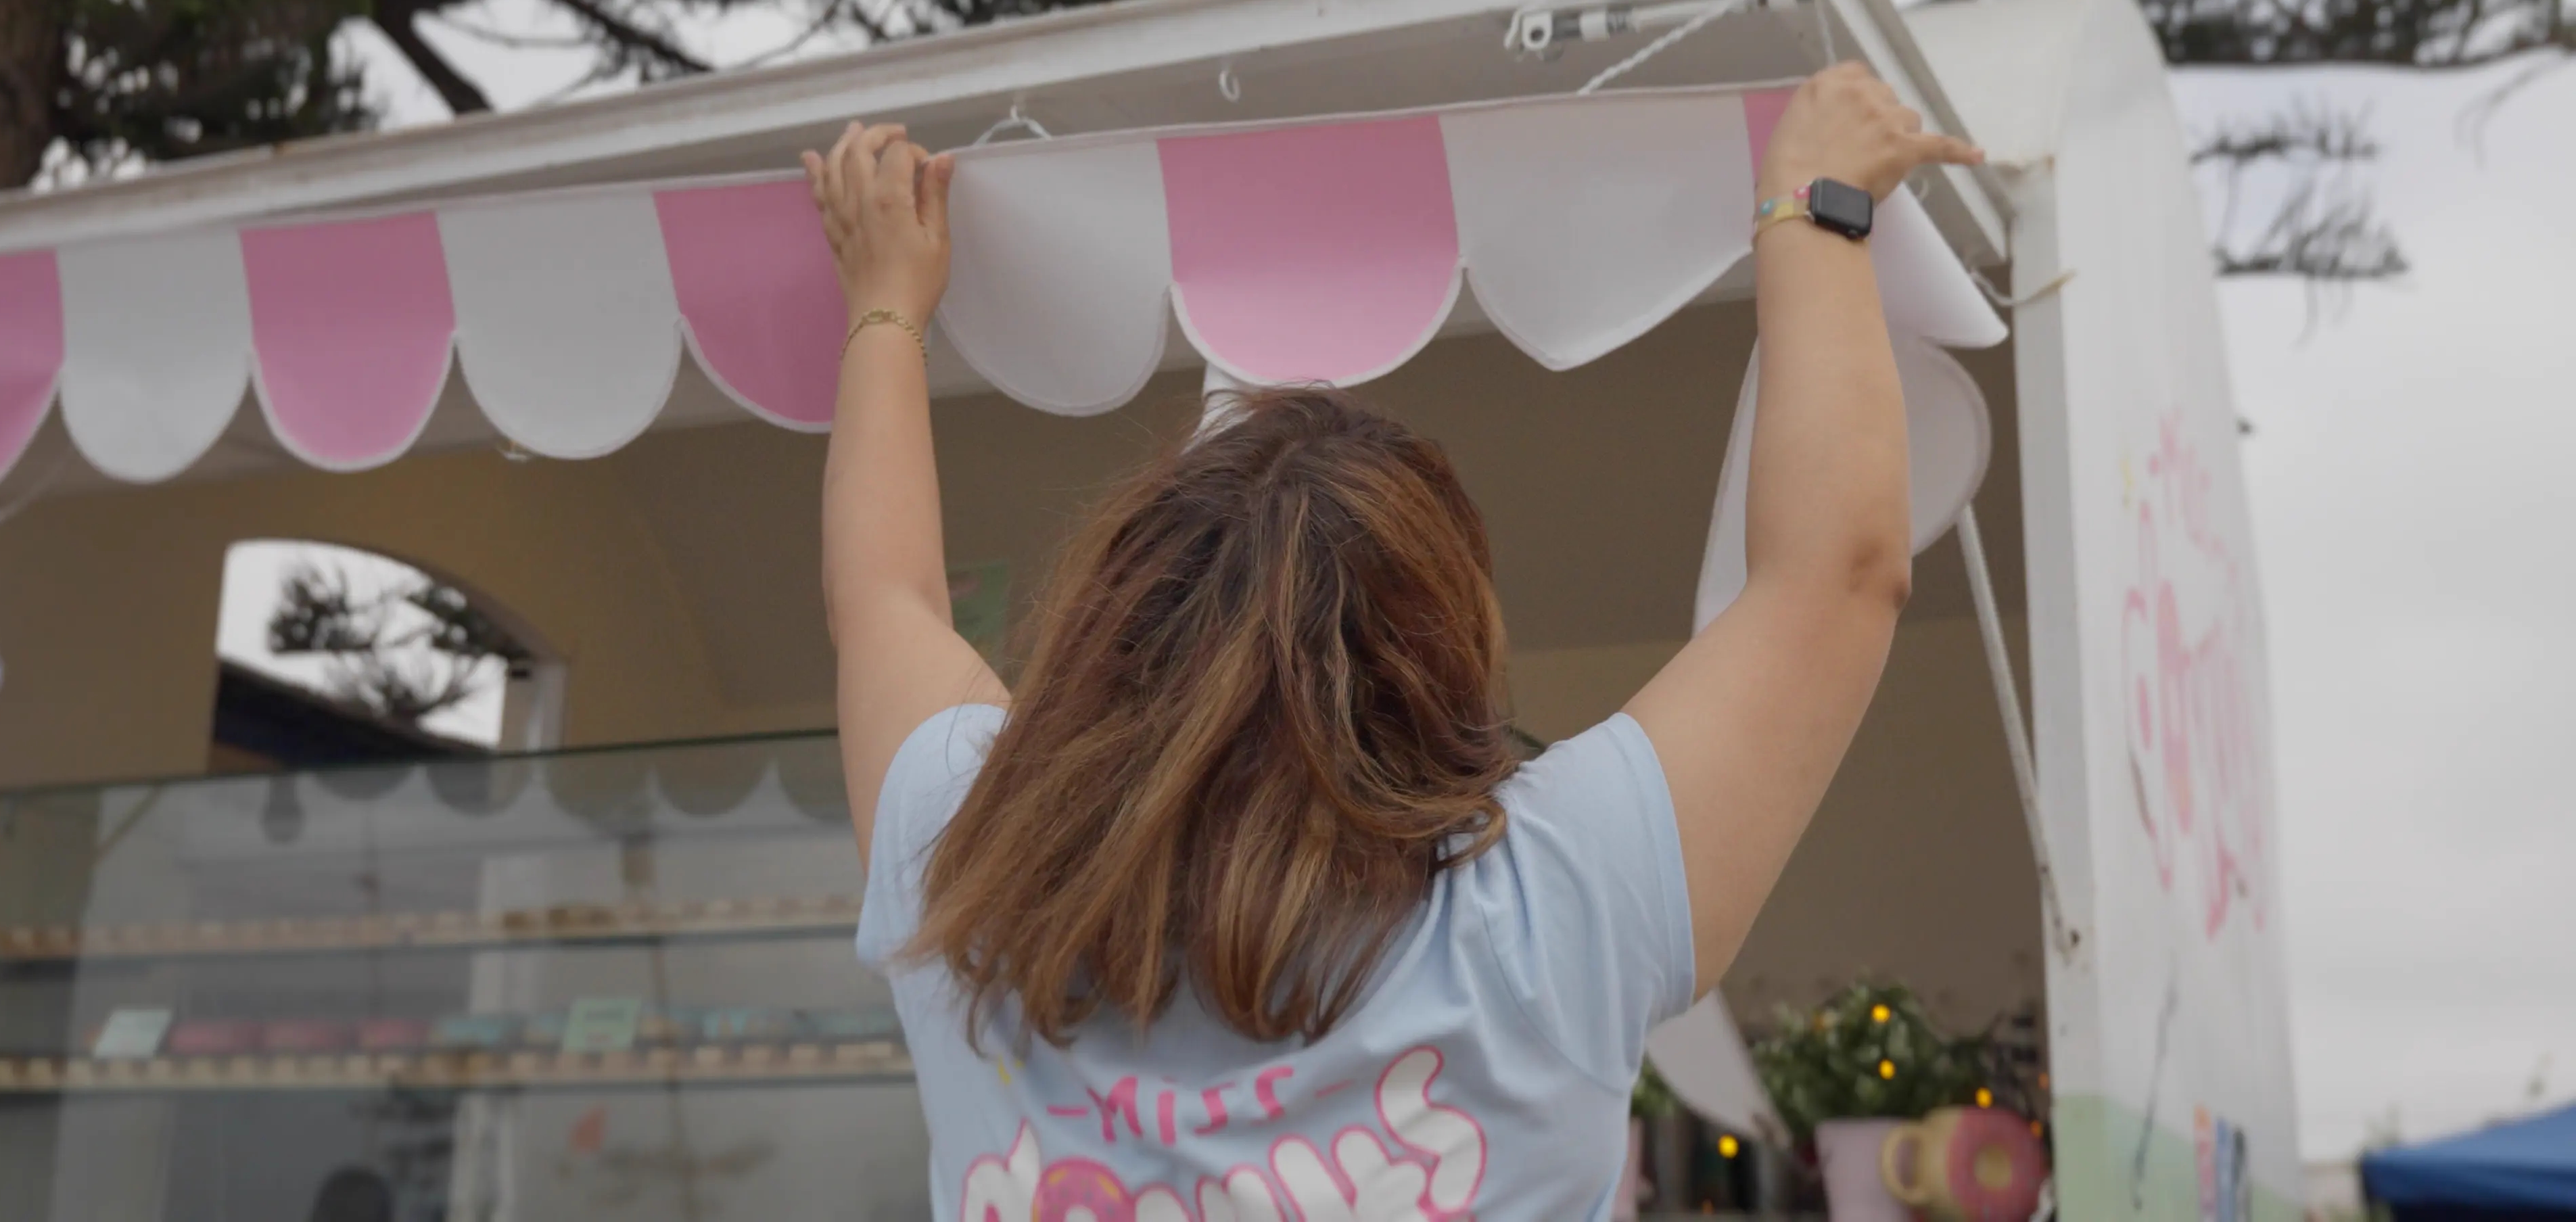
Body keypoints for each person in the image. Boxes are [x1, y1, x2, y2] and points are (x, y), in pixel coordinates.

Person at [803, 62, 1982, 1220]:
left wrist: (886, 304)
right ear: (1439, 654)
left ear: (1112, 632)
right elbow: (1838, 573)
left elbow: (884, 602)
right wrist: (1816, 204)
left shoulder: (969, 873)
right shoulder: (1542, 918)